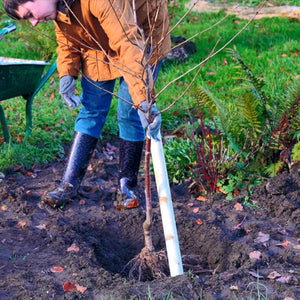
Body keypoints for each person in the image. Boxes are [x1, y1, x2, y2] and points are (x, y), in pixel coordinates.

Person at [2, 0, 171, 208]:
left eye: (29, 14)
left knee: (131, 111)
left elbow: (127, 43)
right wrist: (67, 72)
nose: (34, 23)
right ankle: (68, 185)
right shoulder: (55, 6)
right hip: (97, 43)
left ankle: (127, 187)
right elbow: (67, 35)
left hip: (139, 39)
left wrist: (144, 98)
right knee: (91, 108)